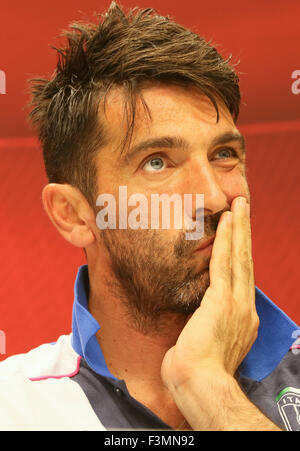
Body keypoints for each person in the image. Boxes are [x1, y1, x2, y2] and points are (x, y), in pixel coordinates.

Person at [0, 1, 299, 431]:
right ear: (74, 215)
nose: (214, 198)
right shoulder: (13, 409)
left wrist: (208, 388)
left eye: (224, 154)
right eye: (158, 162)